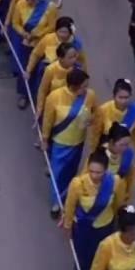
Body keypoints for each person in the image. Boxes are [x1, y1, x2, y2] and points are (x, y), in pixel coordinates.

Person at [41, 68, 95, 219]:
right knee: (57, 174)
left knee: (71, 172)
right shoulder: (55, 97)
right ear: (73, 86)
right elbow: (48, 120)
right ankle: (56, 202)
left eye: (86, 86)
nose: (86, 89)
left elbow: (95, 112)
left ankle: (66, 196)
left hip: (78, 142)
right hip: (60, 143)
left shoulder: (90, 95)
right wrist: (45, 139)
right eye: (83, 86)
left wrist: (91, 119)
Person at [63, 149, 123, 270]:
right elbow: (70, 205)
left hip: (106, 227)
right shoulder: (78, 184)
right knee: (83, 259)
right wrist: (67, 226)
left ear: (106, 170)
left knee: (102, 259)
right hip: (84, 228)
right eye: (91, 171)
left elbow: (118, 205)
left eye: (99, 172)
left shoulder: (115, 182)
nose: (94, 176)